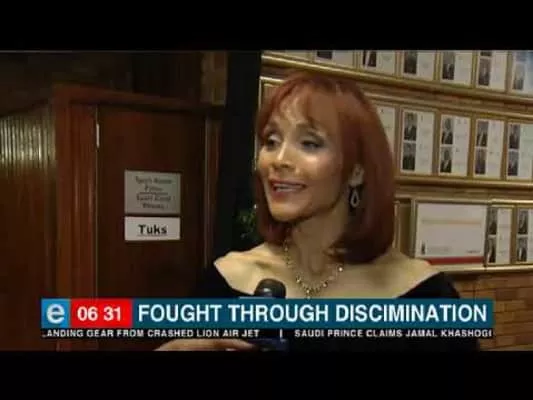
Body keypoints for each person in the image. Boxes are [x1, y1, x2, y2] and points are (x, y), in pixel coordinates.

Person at [157, 71, 480, 351]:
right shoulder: (223, 283)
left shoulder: (426, 297)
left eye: (310, 143)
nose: (279, 160)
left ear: (356, 170)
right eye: (271, 141)